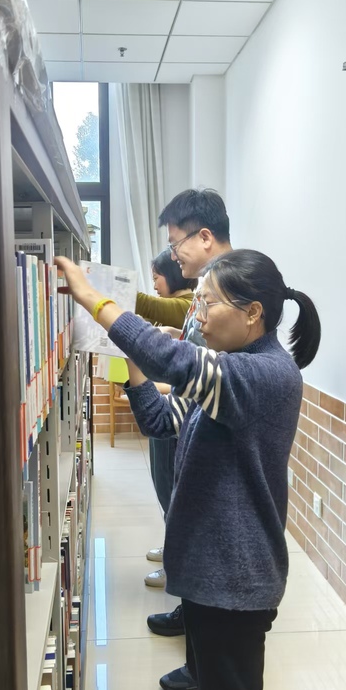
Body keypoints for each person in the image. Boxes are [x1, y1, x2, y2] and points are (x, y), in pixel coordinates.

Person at [55, 248, 321, 690]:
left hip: (234, 578)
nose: (197, 316)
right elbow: (159, 419)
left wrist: (94, 299)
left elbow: (176, 361)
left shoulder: (264, 375)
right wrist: (130, 360)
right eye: (196, 302)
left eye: (208, 303)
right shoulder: (230, 374)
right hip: (212, 571)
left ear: (252, 313)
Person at [147, 188, 233, 690]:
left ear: (204, 236)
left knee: (207, 545)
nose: (173, 254)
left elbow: (216, 368)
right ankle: (192, 625)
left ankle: (204, 669)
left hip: (206, 434)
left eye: (176, 243)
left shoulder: (232, 286)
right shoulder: (206, 285)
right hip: (190, 419)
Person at [135, 250, 197, 588]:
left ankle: (177, 562)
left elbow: (146, 305)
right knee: (164, 487)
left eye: (157, 277)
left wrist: (103, 292)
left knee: (172, 490)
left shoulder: (185, 304)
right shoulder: (181, 310)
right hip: (167, 404)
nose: (155, 285)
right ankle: (173, 548)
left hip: (174, 410)